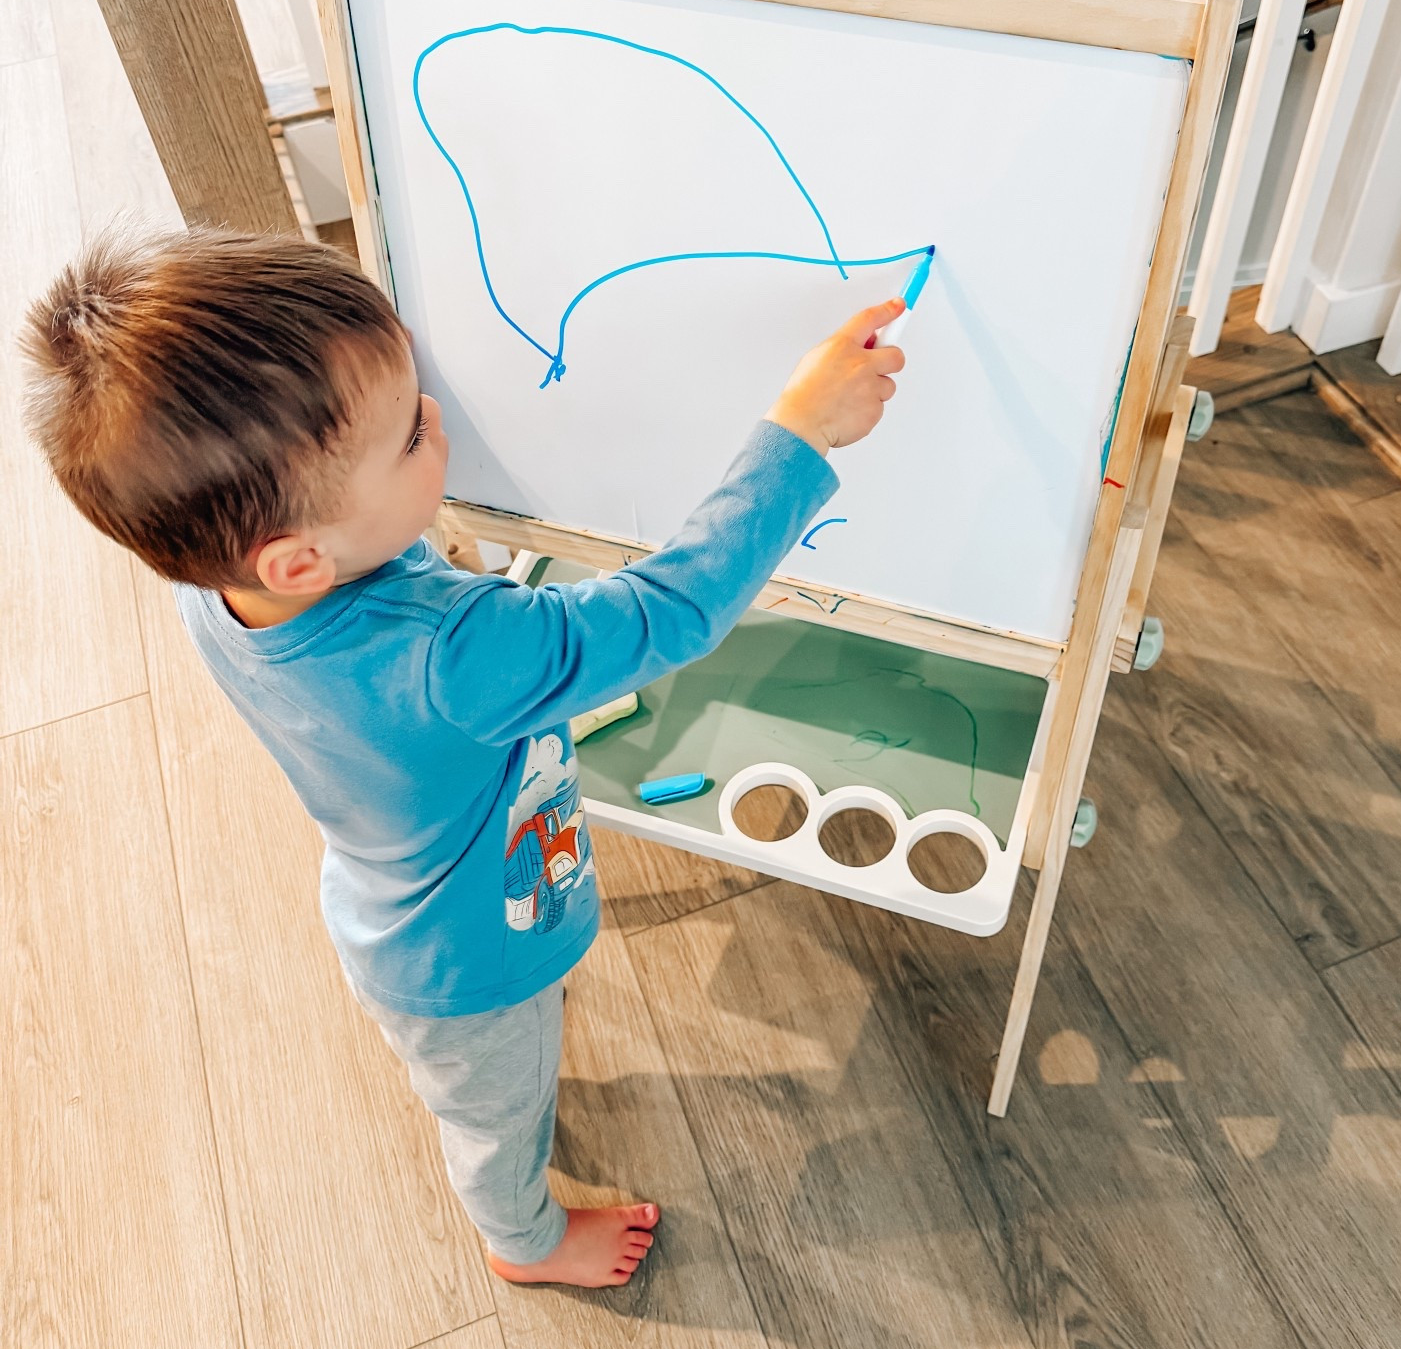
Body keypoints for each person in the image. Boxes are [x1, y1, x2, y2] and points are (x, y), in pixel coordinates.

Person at [20, 226, 904, 1289]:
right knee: (496, 1115)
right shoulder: (455, 655)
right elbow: (667, 612)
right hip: (470, 963)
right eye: (408, 435)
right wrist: (801, 431)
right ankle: (522, 1240)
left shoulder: (211, 585)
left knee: (490, 1072)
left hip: (385, 890)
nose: (438, 413)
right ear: (302, 554)